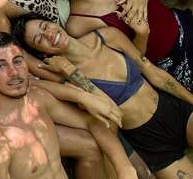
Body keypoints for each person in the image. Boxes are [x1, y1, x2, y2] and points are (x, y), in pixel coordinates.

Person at [13, 15, 193, 177]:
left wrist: (191, 100)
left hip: (174, 111)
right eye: (40, 39)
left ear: (53, 21)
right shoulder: (62, 75)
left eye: (45, 27)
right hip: (151, 144)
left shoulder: (108, 36)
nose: (49, 35)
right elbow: (108, 109)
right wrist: (72, 72)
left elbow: (152, 72)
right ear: (43, 53)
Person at [0, 32, 136, 179]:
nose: (14, 72)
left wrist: (125, 169)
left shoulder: (37, 100)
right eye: (0, 66)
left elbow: (92, 122)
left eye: (17, 61)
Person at [29, 0, 193, 91]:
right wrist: (142, 35)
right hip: (172, 62)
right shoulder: (78, 24)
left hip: (182, 24)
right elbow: (131, 64)